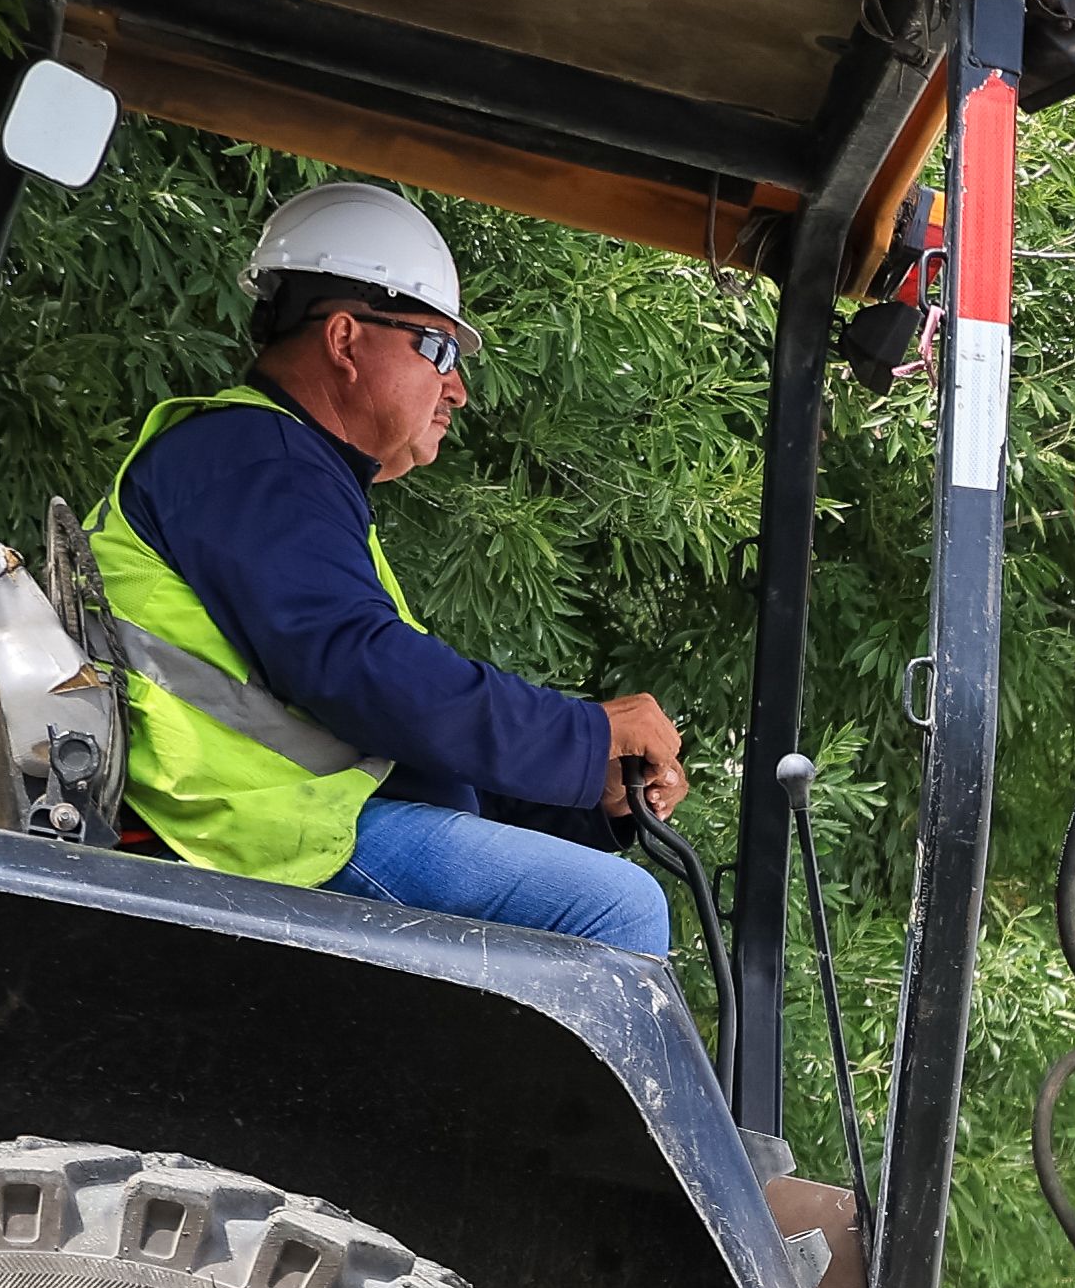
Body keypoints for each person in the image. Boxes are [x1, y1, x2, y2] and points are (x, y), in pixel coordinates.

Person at [87, 182, 691, 953]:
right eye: (438, 348)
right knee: (615, 910)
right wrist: (580, 737)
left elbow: (403, 740)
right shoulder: (254, 461)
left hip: (299, 825)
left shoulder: (280, 473)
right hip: (265, 841)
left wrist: (589, 799)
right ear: (344, 340)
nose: (459, 389)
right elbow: (364, 675)